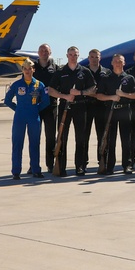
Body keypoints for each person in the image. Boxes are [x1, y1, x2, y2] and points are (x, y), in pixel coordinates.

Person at [47, 46, 97, 176]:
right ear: (67, 56)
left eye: (75, 55)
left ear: (78, 56)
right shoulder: (60, 71)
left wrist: (80, 92)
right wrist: (64, 96)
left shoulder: (85, 71)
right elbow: (51, 90)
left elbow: (93, 89)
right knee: (62, 137)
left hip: (80, 107)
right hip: (65, 106)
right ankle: (61, 167)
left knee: (81, 138)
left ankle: (80, 166)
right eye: (71, 55)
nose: (73, 57)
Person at [93, 53, 135, 175]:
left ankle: (127, 165)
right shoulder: (106, 78)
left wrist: (123, 94)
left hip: (125, 110)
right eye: (115, 61)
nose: (118, 63)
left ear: (124, 63)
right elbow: (99, 95)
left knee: (126, 139)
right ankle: (110, 166)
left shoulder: (129, 78)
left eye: (120, 61)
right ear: (112, 63)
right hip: (111, 111)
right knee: (110, 139)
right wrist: (112, 97)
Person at [4, 60, 47, 180]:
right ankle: (16, 171)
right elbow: (7, 100)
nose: (27, 71)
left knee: (35, 143)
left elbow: (46, 101)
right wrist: (18, 109)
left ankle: (36, 170)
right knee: (17, 143)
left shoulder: (39, 85)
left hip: (33, 116)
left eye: (30, 68)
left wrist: (36, 109)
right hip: (20, 117)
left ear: (34, 70)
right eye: (25, 69)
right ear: (22, 70)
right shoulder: (17, 84)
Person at [32, 43, 60, 173]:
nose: (44, 53)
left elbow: (61, 84)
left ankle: (50, 164)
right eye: (42, 50)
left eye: (46, 51)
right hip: (35, 107)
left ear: (50, 52)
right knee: (34, 137)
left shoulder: (56, 68)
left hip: (50, 106)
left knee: (50, 136)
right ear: (38, 52)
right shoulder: (32, 67)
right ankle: (33, 164)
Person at [84, 49, 108, 171]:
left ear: (100, 58)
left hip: (102, 107)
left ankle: (102, 161)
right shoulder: (83, 71)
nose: (94, 59)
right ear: (89, 58)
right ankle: (82, 163)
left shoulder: (106, 72)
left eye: (96, 57)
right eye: (92, 57)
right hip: (86, 107)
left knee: (102, 136)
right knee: (84, 136)